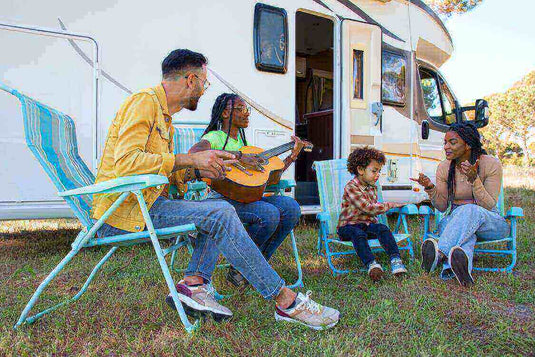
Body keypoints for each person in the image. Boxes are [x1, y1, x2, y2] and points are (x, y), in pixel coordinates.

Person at [91, 49, 339, 330]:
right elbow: (126, 163)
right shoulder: (144, 103)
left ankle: (194, 286)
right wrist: (189, 159)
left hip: (148, 205)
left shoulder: (165, 119)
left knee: (218, 209)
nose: (203, 90)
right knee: (219, 211)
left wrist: (198, 170)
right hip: (123, 213)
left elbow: (163, 170)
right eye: (204, 83)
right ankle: (286, 300)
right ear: (190, 80)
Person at [188, 93, 304, 287]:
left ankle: (249, 267)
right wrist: (238, 156)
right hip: (221, 199)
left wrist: (292, 156)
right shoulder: (215, 137)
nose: (247, 114)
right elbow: (195, 153)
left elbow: (266, 177)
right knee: (269, 213)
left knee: (291, 207)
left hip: (244, 199)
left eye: (247, 110)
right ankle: (245, 266)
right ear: (225, 113)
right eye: (241, 109)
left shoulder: (244, 144)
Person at [411, 122, 508, 286]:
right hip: (455, 224)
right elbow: (441, 206)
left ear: (468, 144)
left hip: (490, 222)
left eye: (452, 142)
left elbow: (489, 205)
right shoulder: (444, 167)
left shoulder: (490, 164)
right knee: (467, 237)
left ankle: (440, 252)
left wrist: (474, 180)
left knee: (470, 211)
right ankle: (453, 270)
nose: (446, 147)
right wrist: (430, 188)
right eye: (445, 142)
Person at [336, 146, 408, 282]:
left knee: (382, 228)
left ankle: (395, 260)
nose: (378, 174)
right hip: (347, 227)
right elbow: (368, 208)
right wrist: (389, 205)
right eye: (374, 171)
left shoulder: (372, 187)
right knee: (358, 234)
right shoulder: (351, 187)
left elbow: (372, 211)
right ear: (360, 170)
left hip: (365, 225)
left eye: (379, 171)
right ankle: (371, 264)